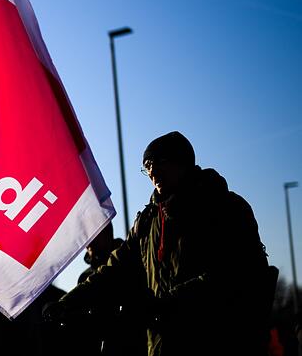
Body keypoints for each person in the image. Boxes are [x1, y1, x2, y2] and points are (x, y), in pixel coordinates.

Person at [45, 131, 272, 355]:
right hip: (162, 344)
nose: (152, 172)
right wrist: (68, 302)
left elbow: (233, 275)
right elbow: (113, 270)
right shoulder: (148, 222)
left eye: (159, 162)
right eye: (147, 166)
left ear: (183, 162)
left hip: (218, 341)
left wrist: (164, 305)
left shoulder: (224, 207)